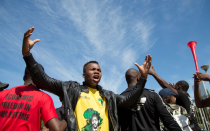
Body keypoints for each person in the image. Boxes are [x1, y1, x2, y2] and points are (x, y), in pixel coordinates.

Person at [22, 27, 151, 131]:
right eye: (93, 69)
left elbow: (129, 101)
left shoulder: (108, 96)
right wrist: (27, 55)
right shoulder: (70, 89)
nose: (97, 72)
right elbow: (43, 80)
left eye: (99, 70)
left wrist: (143, 78)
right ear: (84, 75)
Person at [0, 67, 67, 131]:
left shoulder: (2, 94)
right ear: (42, 80)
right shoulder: (43, 97)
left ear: (24, 78)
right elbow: (57, 129)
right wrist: (66, 119)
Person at [118, 68, 182, 131]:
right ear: (138, 78)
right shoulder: (152, 94)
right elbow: (168, 120)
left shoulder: (117, 99)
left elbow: (116, 124)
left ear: (127, 80)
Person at [148, 65, 201, 131]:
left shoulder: (182, 95)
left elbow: (166, 87)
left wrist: (154, 74)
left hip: (189, 127)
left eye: (175, 86)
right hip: (192, 127)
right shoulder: (186, 96)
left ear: (179, 87)